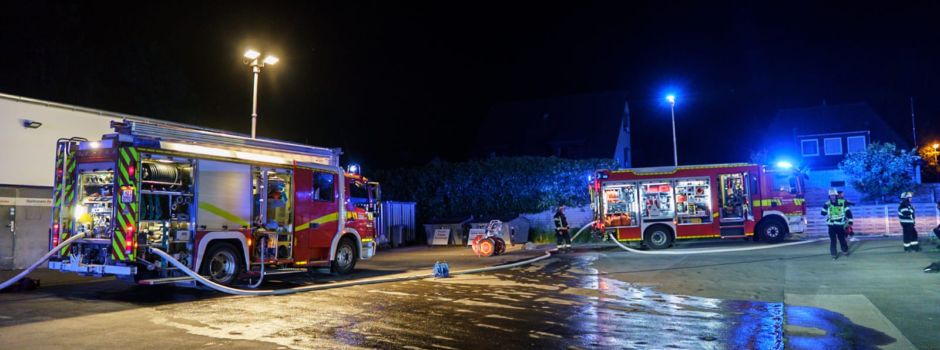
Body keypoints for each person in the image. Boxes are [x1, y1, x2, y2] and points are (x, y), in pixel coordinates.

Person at [821, 188, 851, 259]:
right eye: (831, 196)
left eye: (834, 195)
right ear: (829, 196)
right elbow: (823, 213)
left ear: (836, 195)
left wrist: (850, 221)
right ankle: (833, 254)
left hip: (840, 225)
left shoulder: (842, 202)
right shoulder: (827, 203)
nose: (832, 197)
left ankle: (845, 250)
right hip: (831, 225)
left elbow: (848, 212)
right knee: (833, 240)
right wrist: (825, 208)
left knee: (842, 239)